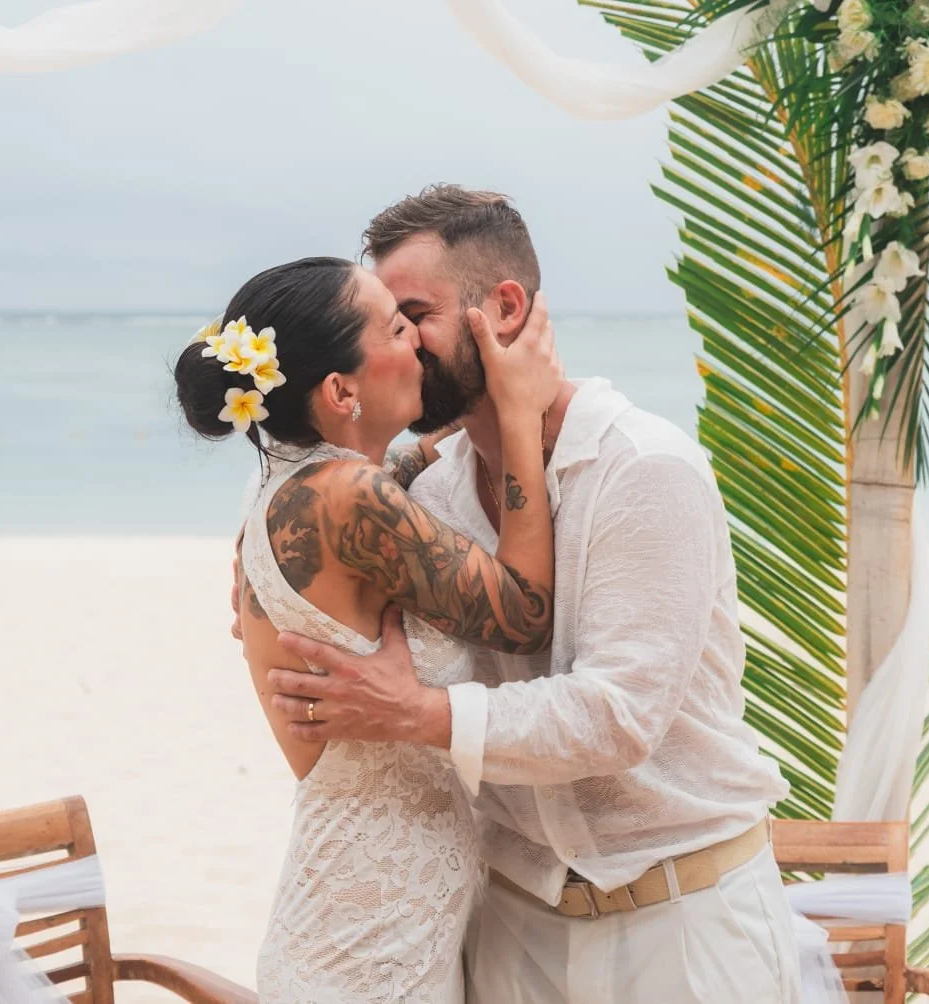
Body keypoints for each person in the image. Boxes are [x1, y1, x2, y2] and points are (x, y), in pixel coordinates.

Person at [263, 187, 803, 1003]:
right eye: (392, 327)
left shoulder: (640, 470)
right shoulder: (427, 496)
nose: (402, 348)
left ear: (505, 307)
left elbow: (619, 714)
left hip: (684, 930)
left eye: (415, 316)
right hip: (512, 929)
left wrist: (419, 714)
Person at [176, 255, 562, 1003]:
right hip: (369, 952)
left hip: (369, 925)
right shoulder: (346, 495)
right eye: (396, 327)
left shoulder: (293, 484)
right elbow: (523, 613)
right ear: (340, 390)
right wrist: (517, 418)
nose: (418, 343)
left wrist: (471, 395)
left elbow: (401, 467)